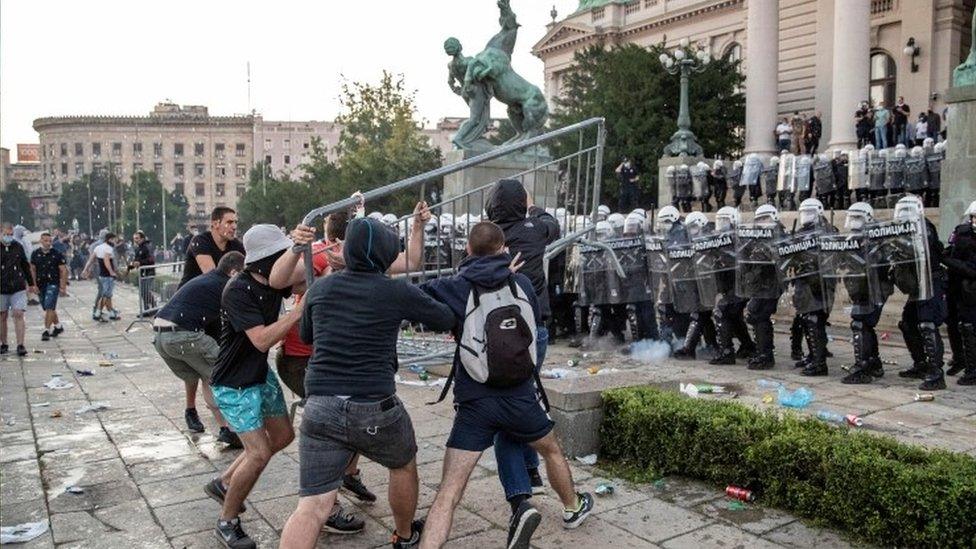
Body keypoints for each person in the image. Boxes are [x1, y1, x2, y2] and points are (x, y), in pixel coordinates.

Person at [277, 218, 455, 549]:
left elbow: (307, 335)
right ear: (385, 253)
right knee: (402, 464)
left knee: (312, 505)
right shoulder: (395, 291)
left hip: (320, 407)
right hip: (375, 406)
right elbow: (445, 318)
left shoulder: (320, 289)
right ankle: (404, 535)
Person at [417, 222, 594, 549]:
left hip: (475, 404)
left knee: (449, 492)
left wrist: (465, 272)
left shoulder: (457, 287)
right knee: (552, 451)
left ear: (468, 250)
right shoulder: (523, 283)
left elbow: (420, 294)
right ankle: (573, 507)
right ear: (504, 249)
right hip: (521, 398)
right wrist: (502, 269)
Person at [205, 225, 300, 549]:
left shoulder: (275, 281)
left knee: (285, 436)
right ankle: (227, 522)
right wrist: (298, 313)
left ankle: (225, 481)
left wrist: (324, 254)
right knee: (258, 453)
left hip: (259, 375)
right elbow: (260, 340)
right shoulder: (238, 289)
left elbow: (302, 276)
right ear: (265, 260)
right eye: (283, 254)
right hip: (234, 383)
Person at [485, 179, 560, 502]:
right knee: (523, 396)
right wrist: (532, 207)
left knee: (516, 399)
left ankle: (525, 478)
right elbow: (552, 224)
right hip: (533, 330)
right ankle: (528, 474)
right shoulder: (533, 230)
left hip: (496, 333)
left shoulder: (485, 238)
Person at [154, 252, 244, 445]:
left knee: (208, 375)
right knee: (225, 373)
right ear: (234, 272)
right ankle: (238, 427)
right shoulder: (225, 286)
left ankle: (225, 429)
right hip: (183, 334)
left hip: (160, 336)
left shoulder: (207, 280)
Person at [890, 196, 948, 390]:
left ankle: (936, 373)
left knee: (927, 324)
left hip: (931, 281)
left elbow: (925, 251)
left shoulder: (925, 227)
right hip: (917, 285)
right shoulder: (902, 230)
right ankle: (921, 364)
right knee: (908, 323)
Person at [942, 200, 976, 386]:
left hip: (971, 290)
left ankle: (972, 370)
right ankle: (959, 359)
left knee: (969, 328)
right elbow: (951, 250)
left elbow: (971, 270)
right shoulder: (962, 232)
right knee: (953, 324)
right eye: (973, 217)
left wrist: (949, 261)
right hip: (955, 288)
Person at [179, 207, 245, 288]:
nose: (234, 226)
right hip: (192, 296)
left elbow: (246, 269)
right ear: (215, 224)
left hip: (213, 294)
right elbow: (212, 277)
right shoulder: (200, 241)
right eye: (229, 222)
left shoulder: (236, 244)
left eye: (235, 222)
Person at [1, 223, 34, 356]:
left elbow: (25, 265)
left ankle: (20, 344)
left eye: (10, 234)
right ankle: (4, 343)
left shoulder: (17, 246)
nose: (8, 237)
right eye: (5, 234)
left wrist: (31, 283)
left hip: (17, 286)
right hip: (1, 287)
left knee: (18, 313)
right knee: (2, 315)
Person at [29, 232, 67, 342]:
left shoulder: (57, 254)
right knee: (46, 306)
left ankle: (46, 330)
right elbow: (32, 269)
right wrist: (33, 284)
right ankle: (58, 326)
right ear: (41, 241)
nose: (48, 243)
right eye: (45, 241)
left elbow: (63, 270)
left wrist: (63, 287)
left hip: (53, 283)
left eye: (50, 241)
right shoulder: (35, 254)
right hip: (41, 284)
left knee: (50, 306)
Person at [93, 233, 121, 321]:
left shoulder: (98, 247)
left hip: (101, 275)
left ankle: (111, 313)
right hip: (108, 276)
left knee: (108, 295)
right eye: (114, 239)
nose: (115, 241)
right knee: (105, 295)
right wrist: (112, 272)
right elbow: (106, 261)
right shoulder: (108, 248)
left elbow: (91, 259)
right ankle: (98, 312)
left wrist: (85, 269)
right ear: (110, 239)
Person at [130, 230, 157, 315]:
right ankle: (146, 309)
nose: (135, 240)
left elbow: (151, 260)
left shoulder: (147, 247)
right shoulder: (138, 248)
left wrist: (140, 262)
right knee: (143, 291)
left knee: (146, 290)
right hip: (142, 272)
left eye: (137, 238)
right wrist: (134, 263)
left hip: (149, 272)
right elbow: (137, 258)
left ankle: (153, 307)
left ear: (142, 238)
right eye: (134, 238)